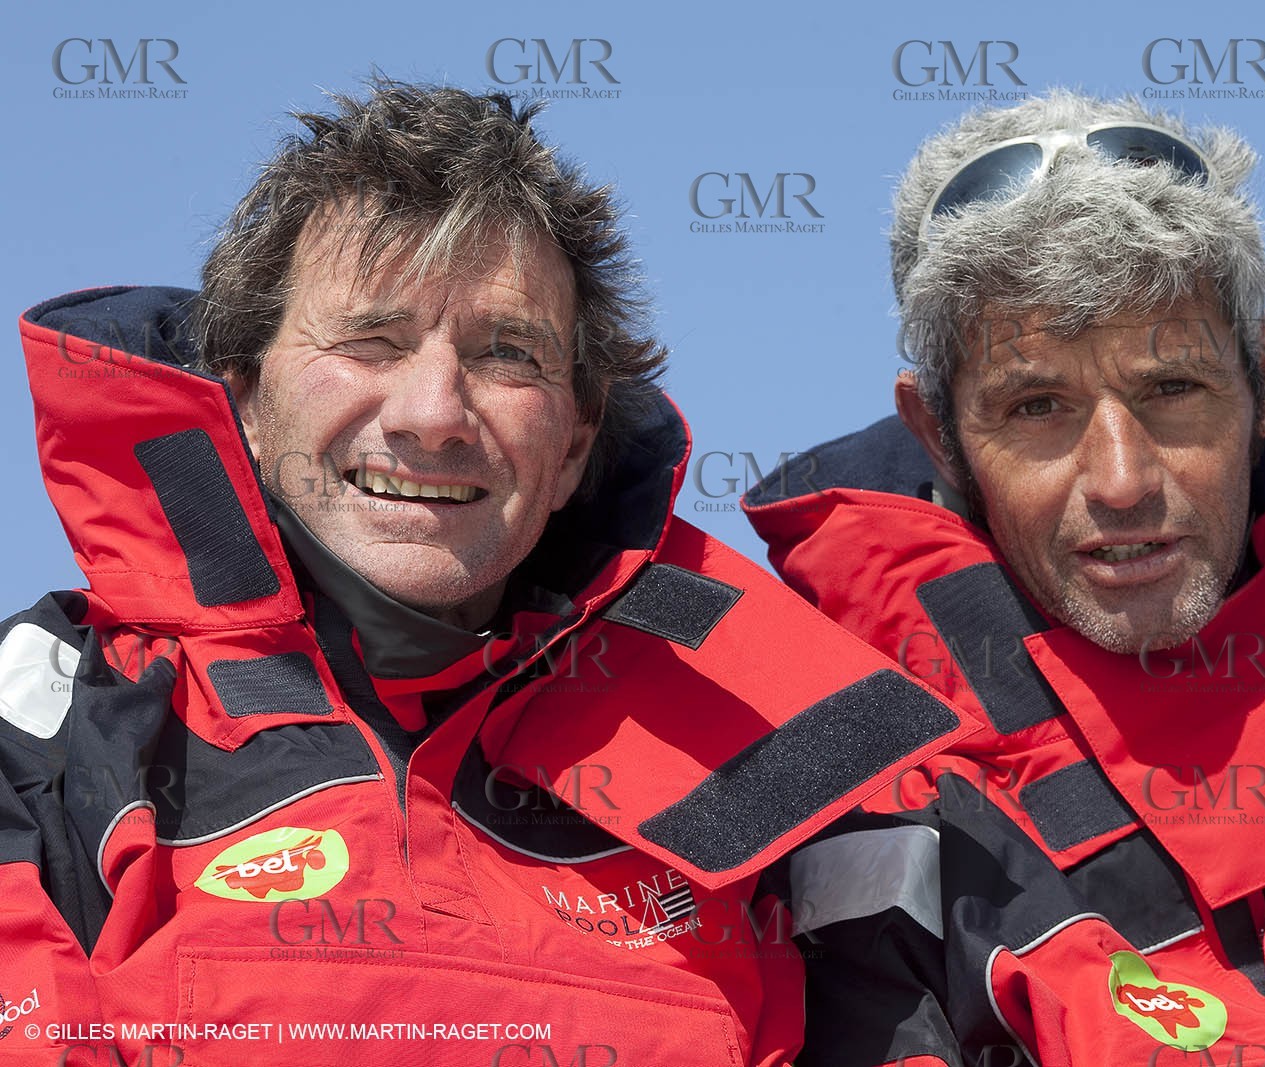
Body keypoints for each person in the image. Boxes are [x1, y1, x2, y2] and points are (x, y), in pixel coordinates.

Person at [0, 81, 971, 1066]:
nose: (432, 412)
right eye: (367, 341)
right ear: (244, 399)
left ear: (576, 440)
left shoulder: (785, 757)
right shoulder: (59, 720)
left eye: (506, 354)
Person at [744, 90, 1265, 1065]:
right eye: (1036, 407)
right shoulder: (873, 795)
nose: (1120, 480)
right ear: (938, 434)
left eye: (1171, 389)